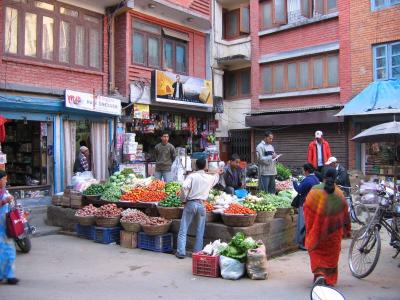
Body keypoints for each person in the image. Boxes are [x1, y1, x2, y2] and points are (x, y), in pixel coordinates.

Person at [303, 167, 351, 286]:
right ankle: (328, 278)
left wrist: (311, 225)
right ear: (335, 178)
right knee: (331, 256)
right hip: (333, 234)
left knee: (317, 253)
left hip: (317, 231)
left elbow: (307, 209)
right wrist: (347, 230)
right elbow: (345, 214)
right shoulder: (340, 193)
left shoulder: (314, 191)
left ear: (323, 177)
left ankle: (319, 275)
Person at [176, 159, 222, 259]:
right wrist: (217, 172)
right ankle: (197, 252)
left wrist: (183, 199)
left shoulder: (192, 176)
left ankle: (181, 252)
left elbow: (184, 187)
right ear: (205, 167)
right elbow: (216, 178)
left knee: (183, 228)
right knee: (200, 230)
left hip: (191, 203)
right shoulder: (209, 177)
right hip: (202, 205)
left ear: (196, 166)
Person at [292, 163, 320, 250]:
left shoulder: (307, 180)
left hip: (305, 204)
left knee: (303, 224)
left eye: (303, 170)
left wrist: (294, 181)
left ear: (307, 171)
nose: (303, 172)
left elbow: (299, 190)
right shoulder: (316, 179)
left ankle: (304, 244)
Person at [0, 171, 19, 285]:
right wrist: (4, 201)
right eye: (4, 179)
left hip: (5, 225)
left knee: (9, 250)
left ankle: (9, 275)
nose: (6, 181)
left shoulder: (4, 191)